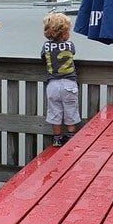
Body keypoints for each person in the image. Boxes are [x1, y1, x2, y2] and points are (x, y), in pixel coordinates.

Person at [40, 12, 81, 147]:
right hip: (69, 82)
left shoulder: (46, 46)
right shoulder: (70, 45)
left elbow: (42, 57)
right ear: (63, 33)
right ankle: (70, 136)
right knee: (71, 110)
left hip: (53, 84)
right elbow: (72, 54)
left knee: (54, 111)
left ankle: (57, 139)